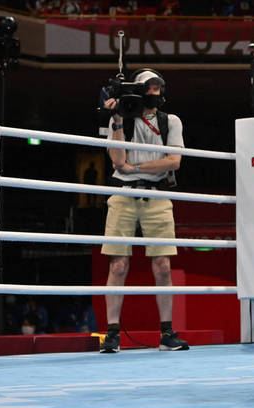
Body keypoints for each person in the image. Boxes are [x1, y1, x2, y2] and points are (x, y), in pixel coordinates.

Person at [99, 68, 188, 353]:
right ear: (137, 90)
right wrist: (115, 120)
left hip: (157, 194)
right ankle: (112, 333)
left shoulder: (170, 120)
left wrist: (134, 168)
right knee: (118, 265)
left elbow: (173, 162)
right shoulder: (118, 117)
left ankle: (166, 333)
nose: (155, 92)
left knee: (163, 266)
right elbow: (116, 160)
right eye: (149, 88)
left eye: (158, 87)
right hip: (123, 193)